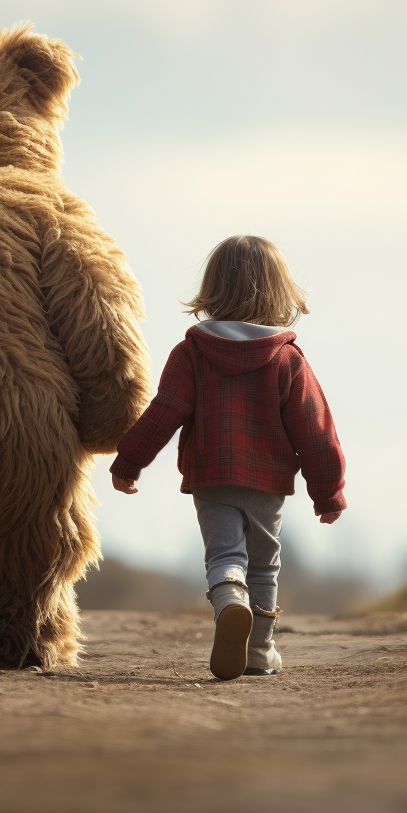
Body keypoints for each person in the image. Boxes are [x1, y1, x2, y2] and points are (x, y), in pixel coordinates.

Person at [110, 235, 346, 681]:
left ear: (213, 287)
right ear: (279, 291)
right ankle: (259, 652)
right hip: (267, 483)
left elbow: (163, 413)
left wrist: (128, 463)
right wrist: (328, 493)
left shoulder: (191, 353)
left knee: (224, 556)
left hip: (211, 477)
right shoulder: (287, 359)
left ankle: (229, 601)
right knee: (263, 565)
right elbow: (315, 431)